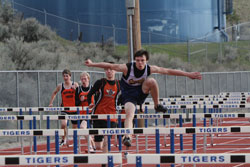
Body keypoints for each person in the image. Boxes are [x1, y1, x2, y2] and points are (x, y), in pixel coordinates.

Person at [85, 49, 202, 147]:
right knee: (129, 114)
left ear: (146, 61)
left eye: (142, 60)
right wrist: (92, 64)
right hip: (128, 95)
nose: (140, 63)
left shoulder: (149, 69)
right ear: (134, 60)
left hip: (140, 92)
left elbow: (167, 71)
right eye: (137, 60)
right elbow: (109, 65)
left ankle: (157, 105)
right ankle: (127, 137)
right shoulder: (127, 68)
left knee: (152, 81)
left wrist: (188, 74)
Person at [87, 63, 120, 154]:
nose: (109, 71)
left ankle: (105, 163)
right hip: (99, 115)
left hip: (112, 116)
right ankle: (94, 146)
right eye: (106, 69)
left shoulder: (119, 84)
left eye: (111, 69)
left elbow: (123, 96)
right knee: (99, 146)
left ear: (115, 70)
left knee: (106, 141)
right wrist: (90, 103)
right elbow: (90, 94)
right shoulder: (100, 82)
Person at [48, 69, 79, 146]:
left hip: (74, 109)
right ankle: (63, 139)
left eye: (67, 76)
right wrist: (51, 103)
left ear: (70, 76)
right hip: (64, 108)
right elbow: (54, 93)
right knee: (63, 124)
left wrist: (76, 90)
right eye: (64, 76)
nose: (65, 77)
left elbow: (80, 94)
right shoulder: (60, 86)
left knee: (74, 127)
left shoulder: (75, 84)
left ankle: (75, 141)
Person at [75, 71, 96, 152]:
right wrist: (80, 100)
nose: (84, 80)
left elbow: (97, 100)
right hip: (81, 113)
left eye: (85, 78)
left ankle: (90, 146)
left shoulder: (93, 88)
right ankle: (93, 145)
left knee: (82, 128)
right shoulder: (78, 89)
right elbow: (75, 103)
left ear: (88, 79)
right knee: (84, 131)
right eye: (82, 79)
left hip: (90, 113)